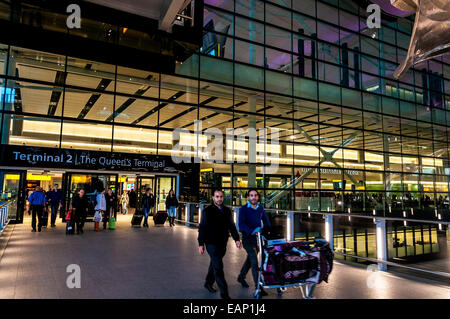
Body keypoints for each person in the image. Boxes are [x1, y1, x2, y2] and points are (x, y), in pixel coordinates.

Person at [198, 190, 241, 300]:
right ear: (213, 198)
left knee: (214, 264)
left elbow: (231, 226)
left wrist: (237, 239)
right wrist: (200, 244)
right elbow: (202, 227)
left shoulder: (227, 211)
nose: (219, 199)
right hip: (211, 243)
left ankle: (208, 283)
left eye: (221, 197)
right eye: (217, 197)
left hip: (223, 243)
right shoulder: (207, 211)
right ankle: (224, 294)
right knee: (218, 267)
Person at [237, 189, 271, 296]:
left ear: (258, 197)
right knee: (254, 261)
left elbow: (266, 222)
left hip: (258, 239)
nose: (253, 197)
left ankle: (241, 277)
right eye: (251, 195)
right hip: (248, 239)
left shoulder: (260, 208)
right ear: (248, 197)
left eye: (255, 195)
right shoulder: (243, 209)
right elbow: (241, 225)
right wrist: (252, 231)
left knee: (250, 260)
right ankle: (258, 287)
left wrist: (265, 230)